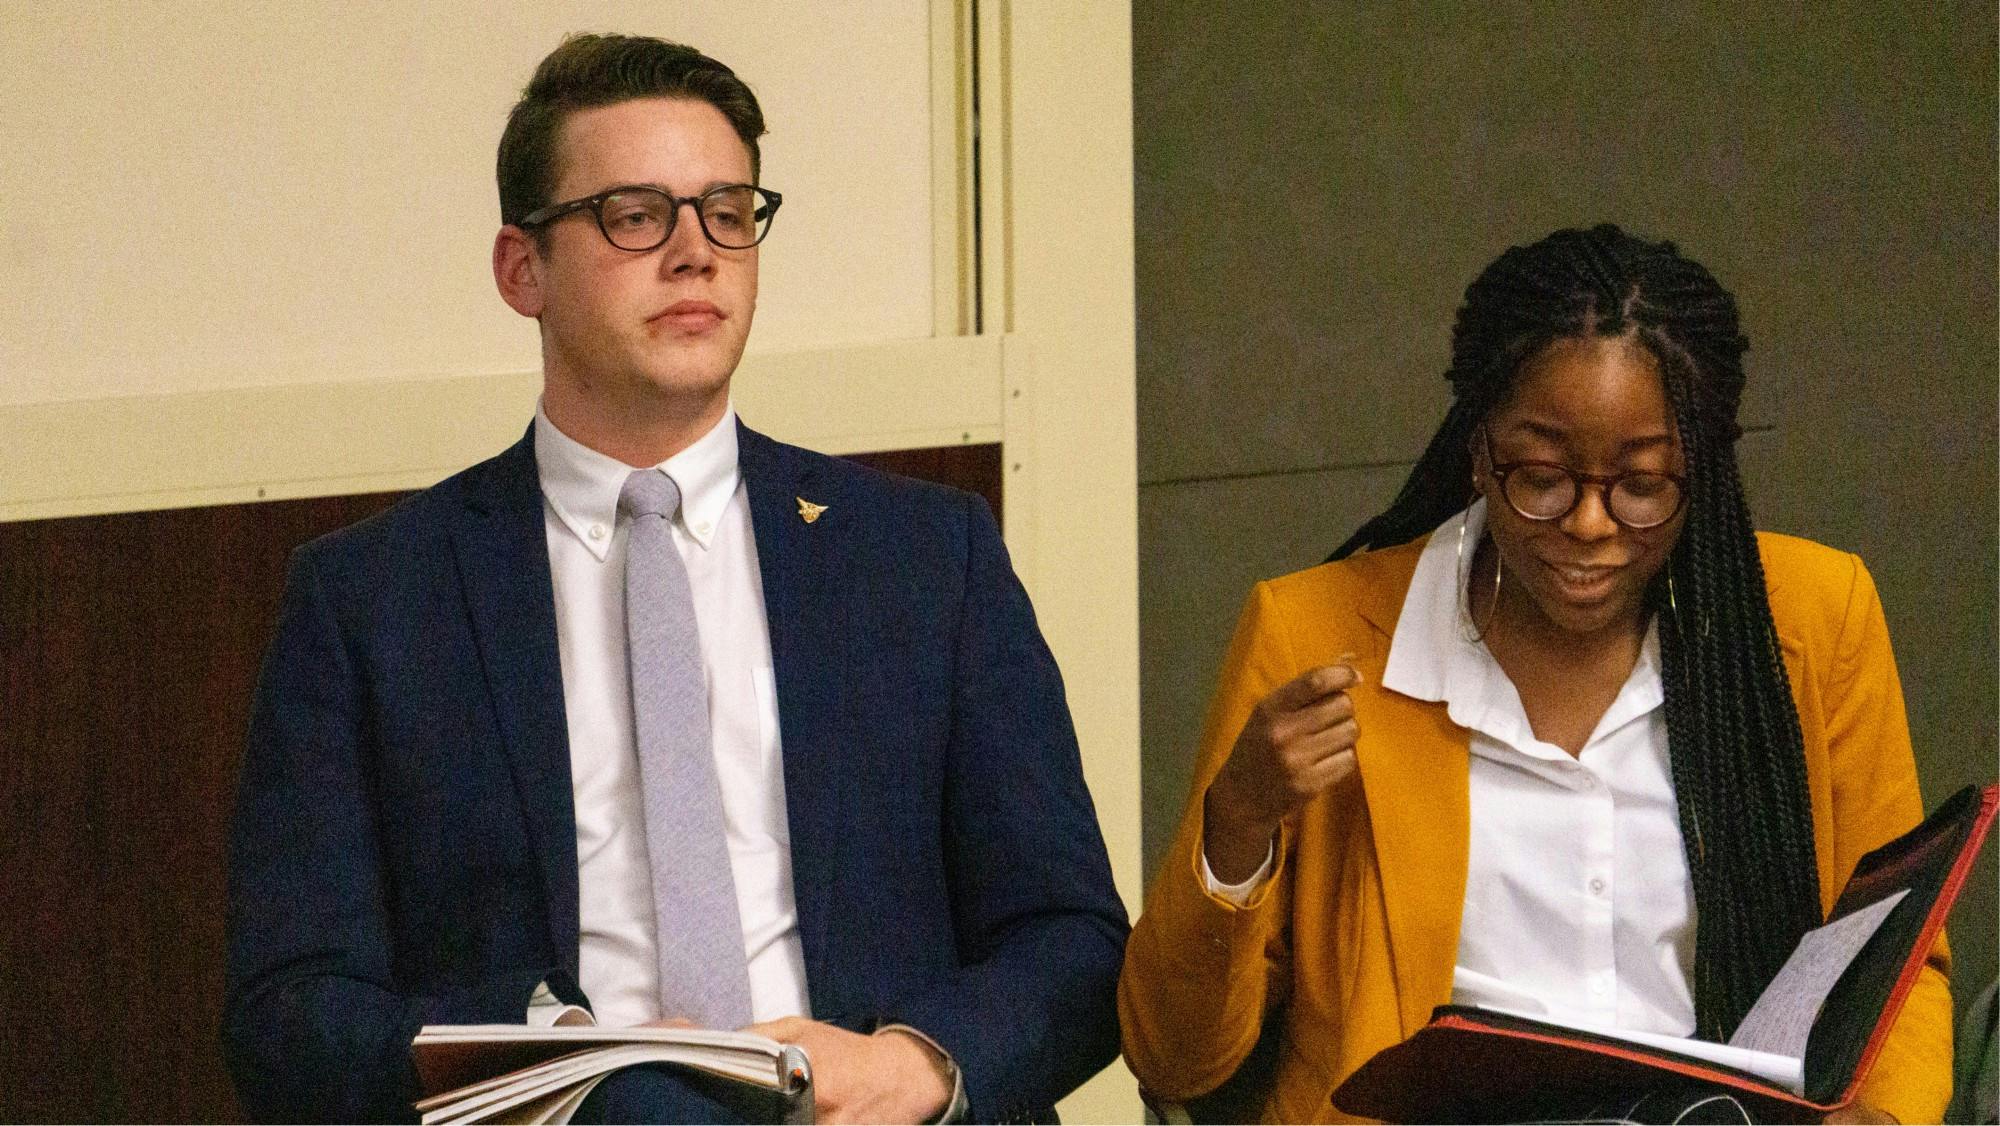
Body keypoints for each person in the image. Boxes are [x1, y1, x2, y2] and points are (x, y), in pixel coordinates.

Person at [223, 33, 1126, 1124]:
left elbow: (1069, 939)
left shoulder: (924, 559)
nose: (696, 252)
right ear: (523, 270)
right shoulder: (372, 599)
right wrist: (535, 1051)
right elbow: (288, 1010)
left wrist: (917, 1066)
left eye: (728, 212)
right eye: (636, 214)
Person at [1118, 225, 1950, 1124]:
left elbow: (1896, 969)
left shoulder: (1815, 621)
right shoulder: (1316, 635)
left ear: (1699, 468)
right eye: (1544, 477)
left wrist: (1884, 1119)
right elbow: (1175, 1057)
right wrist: (1236, 824)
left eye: (1641, 483)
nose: (1590, 524)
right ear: (1480, 450)